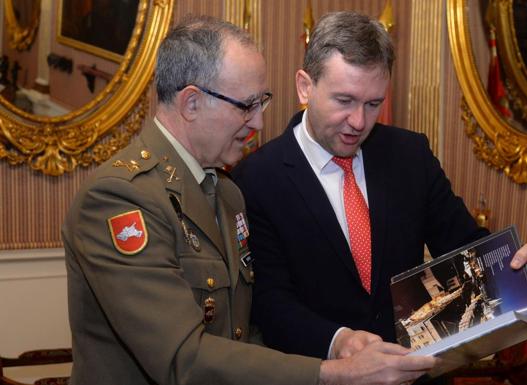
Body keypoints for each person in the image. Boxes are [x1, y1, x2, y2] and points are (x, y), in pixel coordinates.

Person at [62, 16, 438, 385]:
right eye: (245, 106)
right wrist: (331, 374)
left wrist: (338, 344)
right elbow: (182, 358)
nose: (259, 122)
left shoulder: (225, 192)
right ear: (191, 103)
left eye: (262, 103)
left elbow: (245, 332)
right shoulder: (120, 198)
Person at [232, 10, 527, 364]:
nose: (358, 122)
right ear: (305, 86)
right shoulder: (257, 178)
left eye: (373, 104)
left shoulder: (409, 155)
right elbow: (269, 301)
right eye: (344, 100)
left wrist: (520, 269)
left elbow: (465, 246)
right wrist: (340, 342)